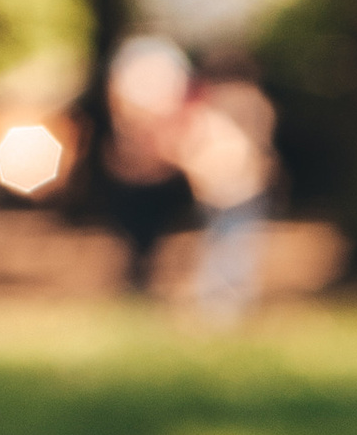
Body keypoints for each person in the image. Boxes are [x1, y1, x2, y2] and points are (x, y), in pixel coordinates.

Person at [174, 54, 277, 323]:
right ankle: (223, 302)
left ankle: (223, 302)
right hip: (233, 185)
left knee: (227, 242)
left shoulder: (213, 108)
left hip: (228, 185)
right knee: (231, 242)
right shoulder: (244, 106)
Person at [99, 33, 191, 294]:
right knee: (132, 233)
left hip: (154, 174)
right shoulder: (128, 116)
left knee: (152, 235)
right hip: (133, 175)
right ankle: (137, 278)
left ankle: (144, 278)